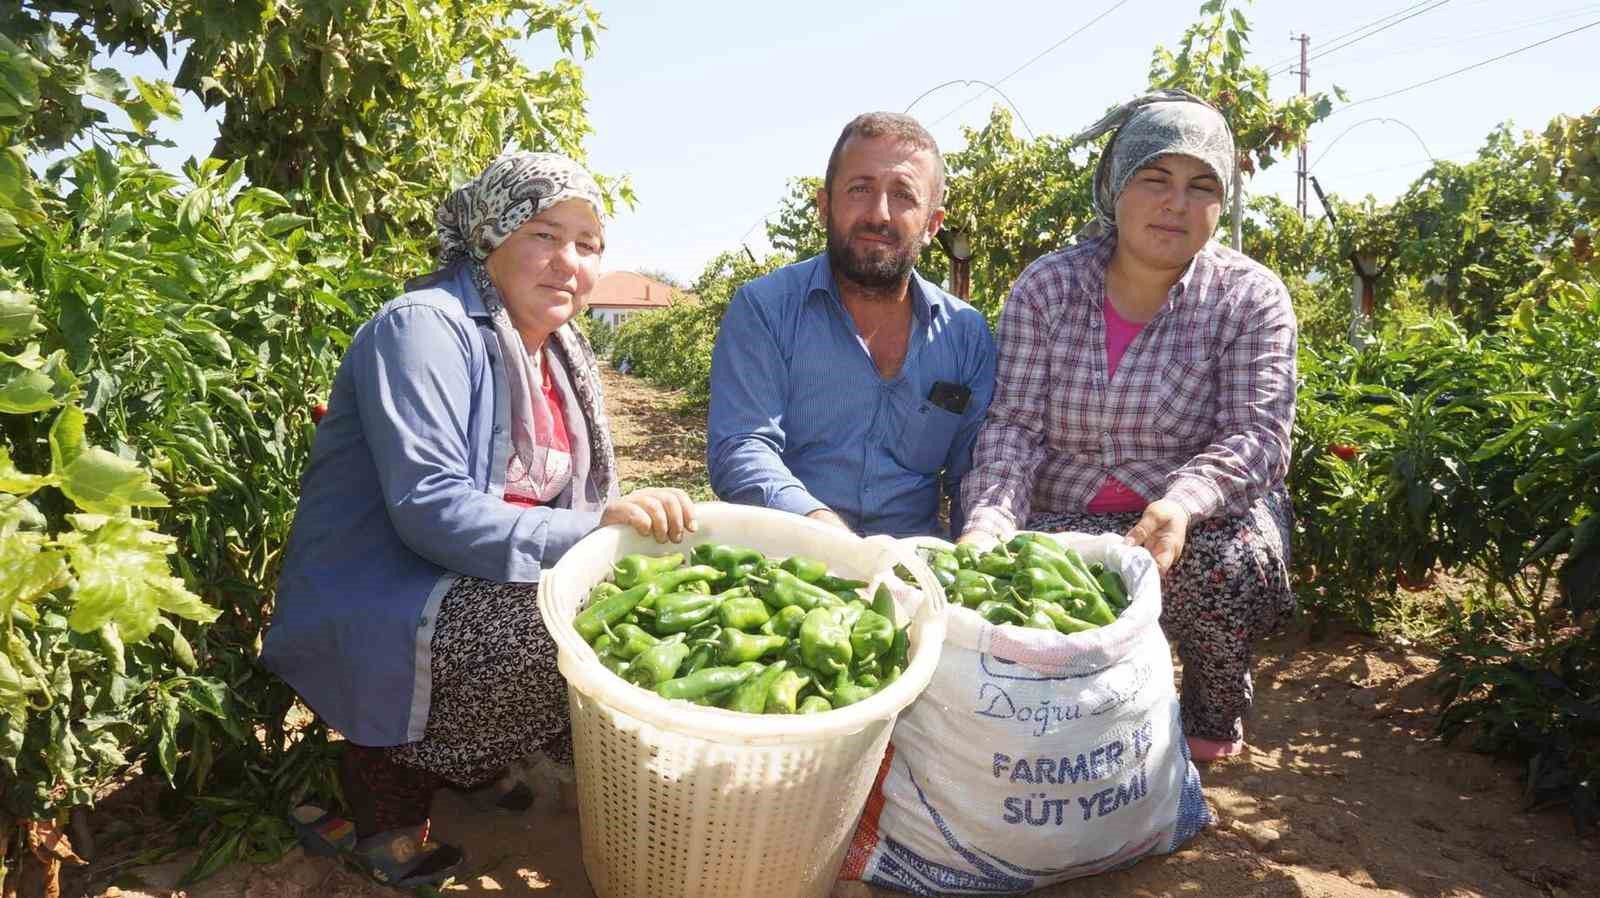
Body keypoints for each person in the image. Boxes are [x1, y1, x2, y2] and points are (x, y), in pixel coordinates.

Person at [261, 152, 696, 887]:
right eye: (544, 235)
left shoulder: (558, 350)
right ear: (489, 235)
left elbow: (579, 496)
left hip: (472, 577)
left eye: (588, 244)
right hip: (387, 591)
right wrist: (591, 534)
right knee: (564, 631)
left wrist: (617, 527)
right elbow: (431, 509)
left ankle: (475, 756)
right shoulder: (424, 328)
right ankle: (384, 782)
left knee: (633, 605)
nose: (570, 263)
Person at [959, 91, 1297, 762]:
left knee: (1220, 569)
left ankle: (1211, 709)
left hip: (1193, 519)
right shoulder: (1048, 288)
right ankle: (1076, 719)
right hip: (1066, 511)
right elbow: (1014, 427)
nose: (1177, 203)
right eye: (1155, 179)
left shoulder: (1250, 296)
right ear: (1115, 187)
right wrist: (988, 523)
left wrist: (1180, 505)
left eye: (1201, 186)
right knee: (1011, 580)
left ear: (1221, 204)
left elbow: (1257, 435)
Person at [707, 112, 995, 539]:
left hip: (912, 568)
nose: (879, 214)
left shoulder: (965, 334)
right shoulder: (765, 310)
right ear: (825, 206)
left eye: (903, 196)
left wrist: (975, 543)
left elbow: (972, 473)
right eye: (860, 189)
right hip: (791, 567)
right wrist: (823, 533)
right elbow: (742, 446)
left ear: (933, 224)